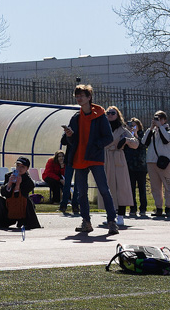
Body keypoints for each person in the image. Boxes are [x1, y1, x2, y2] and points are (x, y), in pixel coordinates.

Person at [62, 84, 117, 234]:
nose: (79, 99)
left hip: (94, 158)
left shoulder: (100, 116)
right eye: (77, 96)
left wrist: (95, 146)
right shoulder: (76, 117)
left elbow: (109, 137)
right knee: (82, 193)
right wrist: (69, 135)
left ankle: (112, 221)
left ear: (89, 97)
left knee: (104, 189)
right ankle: (86, 222)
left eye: (81, 96)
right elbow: (69, 141)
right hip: (79, 159)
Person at [0, 157, 43, 230]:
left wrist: (18, 185)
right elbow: (4, 193)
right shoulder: (9, 176)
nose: (19, 168)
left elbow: (20, 196)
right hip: (9, 206)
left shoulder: (29, 181)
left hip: (21, 207)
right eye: (18, 166)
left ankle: (25, 223)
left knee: (28, 202)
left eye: (22, 167)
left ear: (27, 168)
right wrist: (9, 184)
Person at [103, 106, 136, 227]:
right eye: (108, 113)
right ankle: (111, 216)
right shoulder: (103, 128)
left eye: (113, 113)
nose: (110, 115)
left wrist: (126, 140)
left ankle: (121, 215)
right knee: (108, 187)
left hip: (118, 158)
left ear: (118, 115)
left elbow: (136, 143)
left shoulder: (122, 130)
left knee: (122, 187)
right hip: (106, 158)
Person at [143, 110, 170, 218]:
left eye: (160, 119)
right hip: (151, 162)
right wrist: (151, 128)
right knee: (155, 187)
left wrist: (160, 127)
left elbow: (166, 139)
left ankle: (169, 208)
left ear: (164, 120)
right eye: (156, 118)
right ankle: (159, 208)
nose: (157, 121)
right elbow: (144, 142)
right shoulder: (152, 131)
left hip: (164, 163)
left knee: (168, 185)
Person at [123, 116, 148, 218]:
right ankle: (132, 208)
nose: (132, 127)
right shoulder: (127, 136)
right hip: (130, 166)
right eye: (130, 125)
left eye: (134, 125)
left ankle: (143, 209)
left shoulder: (143, 135)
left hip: (141, 166)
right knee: (131, 188)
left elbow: (143, 145)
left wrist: (136, 134)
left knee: (142, 188)